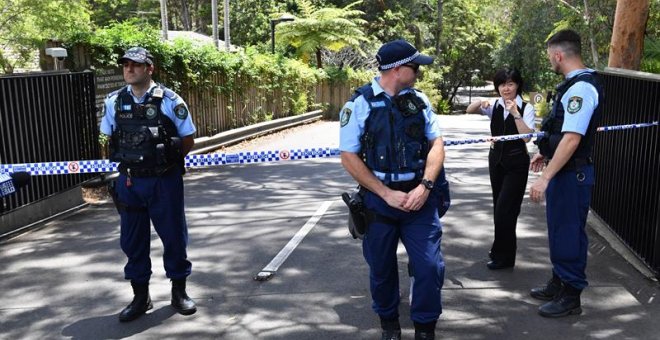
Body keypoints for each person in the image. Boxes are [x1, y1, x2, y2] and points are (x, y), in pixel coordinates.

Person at [339, 39, 446, 340]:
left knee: (428, 266)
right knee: (382, 269)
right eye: (415, 67)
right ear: (398, 70)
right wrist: (385, 193)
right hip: (379, 201)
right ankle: (389, 324)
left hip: (418, 198)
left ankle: (425, 328)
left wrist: (425, 186)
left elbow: (436, 144)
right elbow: (349, 156)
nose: (419, 72)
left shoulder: (420, 101)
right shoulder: (358, 104)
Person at [99, 47, 197, 322]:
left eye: (136, 65)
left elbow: (187, 139)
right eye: (125, 65)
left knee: (174, 237)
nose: (129, 69)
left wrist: (165, 160)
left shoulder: (169, 100)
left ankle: (179, 291)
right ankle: (140, 297)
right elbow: (108, 138)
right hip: (130, 182)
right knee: (132, 241)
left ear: (149, 69)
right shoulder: (114, 102)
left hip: (163, 181)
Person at [529, 29, 603, 317]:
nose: (551, 62)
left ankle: (571, 295)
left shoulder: (581, 89)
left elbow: (572, 138)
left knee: (569, 232)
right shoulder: (573, 85)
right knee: (560, 230)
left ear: (558, 55)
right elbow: (562, 133)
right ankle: (560, 281)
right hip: (565, 171)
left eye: (550, 57)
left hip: (573, 174)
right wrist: (545, 152)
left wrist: (545, 177)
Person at [466, 68, 535, 270]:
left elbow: (527, 137)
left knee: (506, 209)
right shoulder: (494, 105)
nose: (506, 88)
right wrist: (480, 102)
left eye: (511, 84)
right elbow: (469, 110)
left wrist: (515, 113)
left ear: (518, 85)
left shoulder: (526, 108)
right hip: (496, 161)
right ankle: (499, 249)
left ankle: (505, 257)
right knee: (499, 207)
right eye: (502, 84)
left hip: (516, 164)